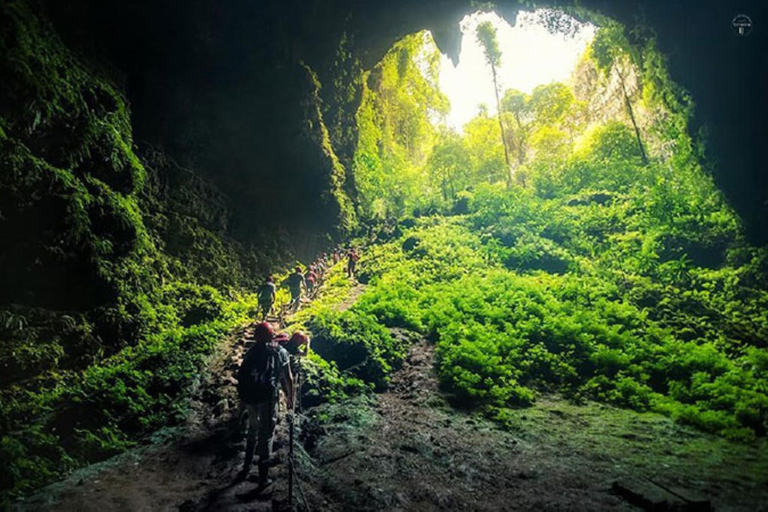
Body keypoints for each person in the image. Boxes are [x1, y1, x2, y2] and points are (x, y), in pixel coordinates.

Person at [236, 322, 294, 487]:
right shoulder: (279, 351)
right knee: (267, 434)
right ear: (273, 335)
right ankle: (263, 476)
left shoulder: (251, 352)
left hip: (250, 399)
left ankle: (246, 467)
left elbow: (243, 376)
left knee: (252, 430)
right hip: (267, 397)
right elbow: (288, 377)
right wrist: (290, 397)